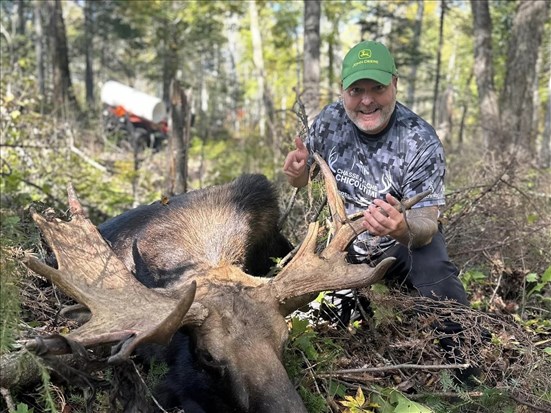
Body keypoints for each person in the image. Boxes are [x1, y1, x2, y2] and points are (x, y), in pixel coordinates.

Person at [283, 40, 478, 384]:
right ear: (342, 91)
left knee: (436, 271)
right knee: (326, 321)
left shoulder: (420, 140)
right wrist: (297, 174)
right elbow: (304, 177)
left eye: (378, 87)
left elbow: (426, 223)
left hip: (399, 245)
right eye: (357, 89)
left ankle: (466, 373)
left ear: (395, 85)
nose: (367, 99)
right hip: (344, 247)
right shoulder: (330, 121)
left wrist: (401, 228)